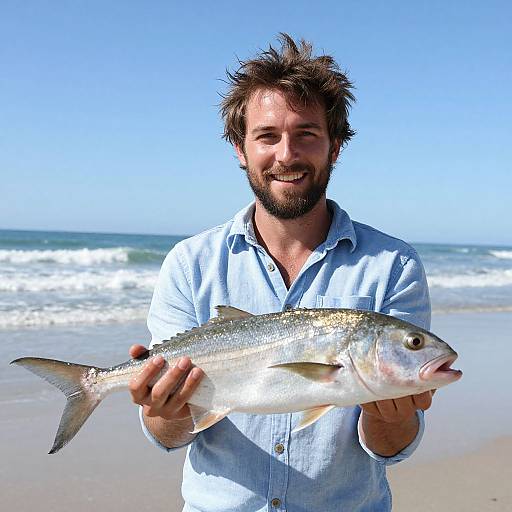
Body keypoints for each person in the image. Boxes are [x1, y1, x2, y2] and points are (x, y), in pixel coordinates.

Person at [129, 34, 433, 511]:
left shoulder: (393, 266)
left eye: (307, 134)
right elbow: (169, 434)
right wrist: (162, 409)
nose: (287, 155)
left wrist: (391, 416)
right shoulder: (190, 263)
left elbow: (391, 447)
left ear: (335, 147)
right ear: (240, 148)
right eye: (267, 136)